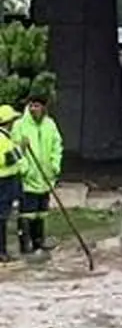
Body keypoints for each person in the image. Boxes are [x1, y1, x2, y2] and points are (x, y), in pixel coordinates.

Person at [12, 93, 63, 254]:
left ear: (44, 108)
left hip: (46, 177)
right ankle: (25, 245)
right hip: (28, 178)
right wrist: (24, 168)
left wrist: (55, 166)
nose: (35, 109)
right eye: (32, 105)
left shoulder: (50, 124)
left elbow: (57, 146)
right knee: (27, 213)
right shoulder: (20, 125)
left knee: (41, 213)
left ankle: (38, 241)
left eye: (38, 106)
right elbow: (14, 152)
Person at [0, 104, 23, 263]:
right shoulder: (1, 138)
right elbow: (4, 159)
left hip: (8, 181)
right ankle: (1, 251)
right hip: (3, 181)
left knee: (4, 215)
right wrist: (21, 150)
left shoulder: (7, 136)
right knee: (1, 216)